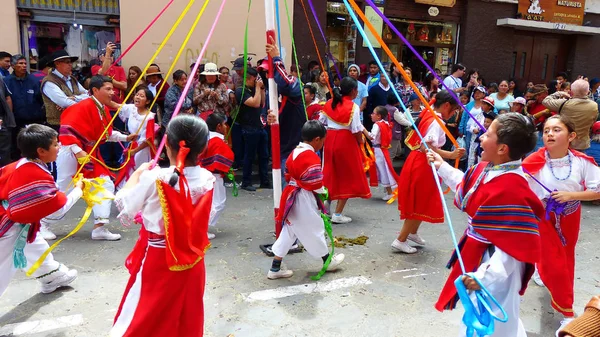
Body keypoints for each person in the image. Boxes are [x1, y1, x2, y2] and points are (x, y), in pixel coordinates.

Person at [431, 113, 545, 337]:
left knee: (497, 312)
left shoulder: (513, 189)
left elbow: (511, 249)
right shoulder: (489, 168)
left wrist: (484, 277)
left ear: (502, 148)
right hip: (481, 253)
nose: (481, 137)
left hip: (497, 265)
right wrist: (440, 165)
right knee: (481, 309)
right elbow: (468, 185)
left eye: (488, 134)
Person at [111, 115, 213, 337]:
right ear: (204, 147)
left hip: (160, 258)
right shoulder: (208, 178)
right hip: (194, 258)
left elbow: (124, 203)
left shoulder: (155, 177)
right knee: (186, 310)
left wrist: (138, 173)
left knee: (146, 312)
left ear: (166, 143)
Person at [522, 115, 600, 335]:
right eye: (546, 130)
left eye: (557, 130)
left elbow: (597, 190)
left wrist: (571, 195)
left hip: (570, 216)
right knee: (556, 262)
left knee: (565, 258)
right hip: (543, 218)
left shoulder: (583, 162)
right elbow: (519, 186)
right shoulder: (532, 162)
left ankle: (542, 270)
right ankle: (567, 313)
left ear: (571, 136)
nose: (550, 134)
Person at [0, 124, 82, 295]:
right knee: (3, 268)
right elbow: (58, 210)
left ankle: (52, 277)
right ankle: (53, 276)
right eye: (55, 144)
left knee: (35, 245)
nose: (59, 147)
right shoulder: (36, 175)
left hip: (17, 221)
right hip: (8, 226)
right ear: (41, 151)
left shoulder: (21, 164)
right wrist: (79, 191)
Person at [55, 75, 137, 241]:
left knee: (105, 184)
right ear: (95, 90)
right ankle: (43, 223)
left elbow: (105, 134)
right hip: (71, 152)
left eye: (112, 89)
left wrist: (125, 138)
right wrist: (78, 152)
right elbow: (66, 131)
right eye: (108, 89)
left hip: (90, 153)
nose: (112, 92)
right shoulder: (81, 107)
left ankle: (100, 227)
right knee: (65, 188)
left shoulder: (103, 109)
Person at [268, 120, 344, 279]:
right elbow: (315, 183)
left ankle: (275, 268)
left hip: (292, 195)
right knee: (314, 228)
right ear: (317, 139)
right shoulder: (310, 156)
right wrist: (323, 191)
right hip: (303, 197)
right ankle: (327, 261)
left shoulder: (294, 152)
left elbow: (288, 175)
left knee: (290, 231)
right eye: (323, 140)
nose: (323, 144)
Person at [393, 90, 465, 253]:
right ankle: (400, 239)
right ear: (446, 105)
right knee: (419, 201)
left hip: (420, 162)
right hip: (424, 163)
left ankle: (412, 233)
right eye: (453, 110)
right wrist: (451, 155)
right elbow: (427, 147)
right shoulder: (435, 121)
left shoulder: (429, 113)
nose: (453, 114)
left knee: (422, 200)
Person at [320, 77, 371, 223]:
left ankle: (326, 208)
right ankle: (337, 214)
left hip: (329, 140)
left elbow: (321, 122)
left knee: (330, 173)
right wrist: (361, 142)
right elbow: (356, 130)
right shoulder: (353, 107)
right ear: (354, 91)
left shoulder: (330, 103)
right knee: (347, 176)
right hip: (345, 142)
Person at [198, 112, 234, 240]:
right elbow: (223, 160)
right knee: (218, 203)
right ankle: (200, 229)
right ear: (219, 126)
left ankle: (199, 227)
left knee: (208, 202)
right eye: (224, 124)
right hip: (213, 176)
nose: (226, 127)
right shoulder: (217, 141)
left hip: (202, 174)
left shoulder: (206, 138)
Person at [4, 54, 46, 160]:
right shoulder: (6, 81)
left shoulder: (34, 81)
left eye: (25, 63)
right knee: (17, 149)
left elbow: (41, 100)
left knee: (36, 147)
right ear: (13, 66)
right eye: (20, 63)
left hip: (35, 121)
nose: (24, 66)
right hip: (16, 123)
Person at [235, 67, 269, 191]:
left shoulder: (256, 89)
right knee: (249, 156)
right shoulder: (241, 91)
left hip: (259, 126)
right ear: (251, 79)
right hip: (248, 127)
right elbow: (255, 103)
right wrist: (258, 89)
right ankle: (246, 182)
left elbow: (262, 103)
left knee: (264, 155)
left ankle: (264, 181)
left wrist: (262, 88)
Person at [114, 86, 156, 188]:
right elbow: (116, 105)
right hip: (131, 144)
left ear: (147, 101)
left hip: (141, 148)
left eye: (142, 96)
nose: (137, 97)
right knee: (129, 168)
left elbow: (148, 139)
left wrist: (135, 151)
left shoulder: (149, 117)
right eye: (137, 94)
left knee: (138, 169)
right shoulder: (132, 108)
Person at [543, 79, 599, 152]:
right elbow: (593, 121)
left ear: (571, 92)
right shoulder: (594, 105)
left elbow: (545, 101)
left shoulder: (565, 104)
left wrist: (559, 93)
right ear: (588, 92)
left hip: (564, 141)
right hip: (582, 144)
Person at [41, 50, 89, 130]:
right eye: (67, 62)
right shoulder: (49, 81)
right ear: (57, 64)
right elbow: (65, 102)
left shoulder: (72, 79)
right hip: (58, 125)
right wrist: (84, 103)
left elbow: (89, 95)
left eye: (70, 62)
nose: (70, 65)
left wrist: (75, 98)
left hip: (75, 122)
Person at [367, 106, 399, 201]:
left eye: (373, 113)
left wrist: (363, 130)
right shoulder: (385, 123)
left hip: (378, 149)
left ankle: (389, 192)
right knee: (385, 169)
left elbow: (372, 137)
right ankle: (388, 191)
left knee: (383, 170)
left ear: (379, 116)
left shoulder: (377, 125)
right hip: (383, 149)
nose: (371, 115)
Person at [467, 96, 494, 168]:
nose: (482, 106)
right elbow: (470, 126)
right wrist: (474, 129)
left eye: (485, 104)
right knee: (472, 156)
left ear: (489, 106)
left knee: (482, 157)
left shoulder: (493, 116)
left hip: (485, 140)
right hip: (475, 138)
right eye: (482, 104)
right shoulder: (479, 115)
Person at [388, 94, 411, 159]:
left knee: (398, 150)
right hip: (393, 132)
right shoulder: (394, 109)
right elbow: (401, 120)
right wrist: (412, 124)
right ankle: (389, 168)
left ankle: (398, 155)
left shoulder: (386, 107)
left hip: (388, 131)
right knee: (391, 153)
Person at [0, 76, 14, 168]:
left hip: (3, 120)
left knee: (5, 153)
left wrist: (9, 116)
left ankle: (5, 178)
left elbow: (7, 97)